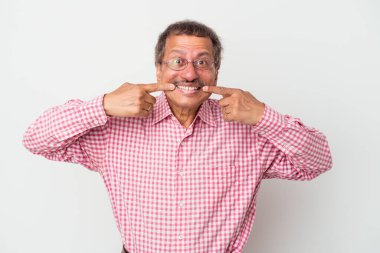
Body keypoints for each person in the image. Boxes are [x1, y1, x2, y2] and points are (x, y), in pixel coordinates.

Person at [22, 20, 333, 253]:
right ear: (159, 70)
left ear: (215, 72)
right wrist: (102, 105)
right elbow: (36, 139)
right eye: (177, 61)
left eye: (202, 62)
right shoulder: (113, 129)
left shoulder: (250, 133)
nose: (189, 74)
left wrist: (263, 116)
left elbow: (318, 162)